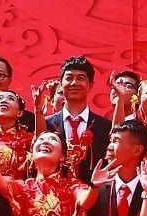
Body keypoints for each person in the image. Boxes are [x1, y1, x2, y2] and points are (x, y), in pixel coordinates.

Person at [45, 56, 113, 184]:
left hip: (93, 192)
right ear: (61, 84)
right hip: (53, 192)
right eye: (69, 78)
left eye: (80, 78)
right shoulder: (47, 124)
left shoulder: (105, 127)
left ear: (90, 85)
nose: (74, 83)